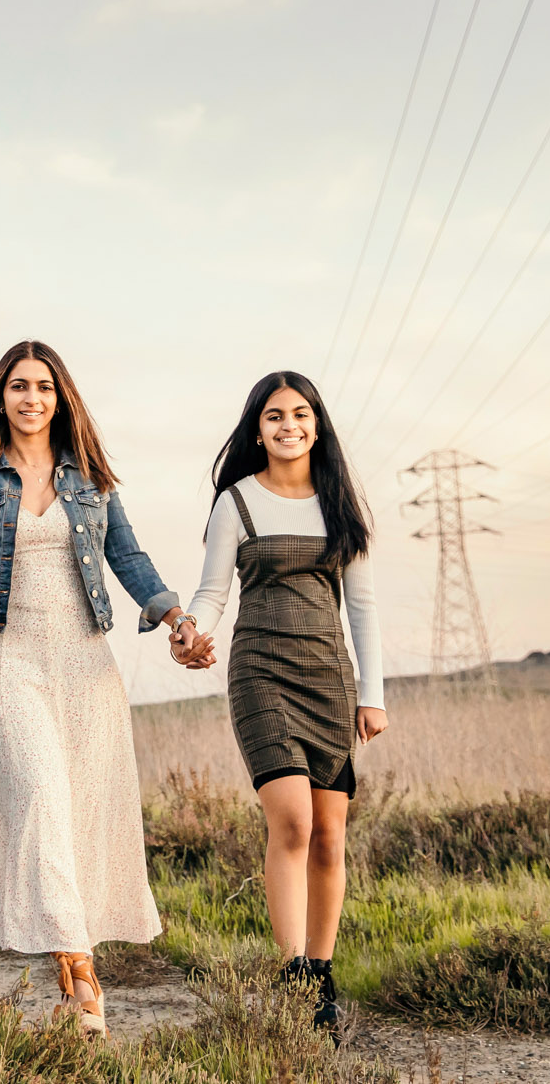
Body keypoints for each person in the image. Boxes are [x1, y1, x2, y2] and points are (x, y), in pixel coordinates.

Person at [0, 340, 211, 1039]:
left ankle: (67, 979)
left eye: (44, 387)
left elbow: (128, 556)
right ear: (0, 396)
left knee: (81, 813)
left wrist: (176, 617)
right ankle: (85, 971)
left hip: (85, 660)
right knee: (41, 797)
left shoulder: (90, 479)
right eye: (19, 386)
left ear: (62, 399)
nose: (32, 398)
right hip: (5, 657)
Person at [178, 371, 388, 1030]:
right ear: (257, 429)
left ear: (317, 425)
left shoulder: (341, 506)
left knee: (330, 835)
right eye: (274, 416)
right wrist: (191, 629)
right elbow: (212, 594)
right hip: (260, 673)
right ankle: (293, 972)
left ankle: (320, 974)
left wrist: (372, 695)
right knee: (292, 822)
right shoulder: (236, 501)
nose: (288, 424)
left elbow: (363, 608)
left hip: (329, 679)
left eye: (300, 413)